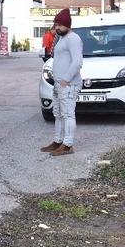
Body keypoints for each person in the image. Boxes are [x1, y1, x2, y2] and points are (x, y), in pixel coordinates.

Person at [41, 9, 82, 156]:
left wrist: (66, 79)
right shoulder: (61, 39)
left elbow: (77, 62)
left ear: (67, 24)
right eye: (55, 24)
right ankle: (58, 141)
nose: (56, 27)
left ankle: (68, 145)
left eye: (59, 25)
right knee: (57, 114)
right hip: (58, 83)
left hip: (68, 84)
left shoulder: (73, 38)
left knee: (68, 114)